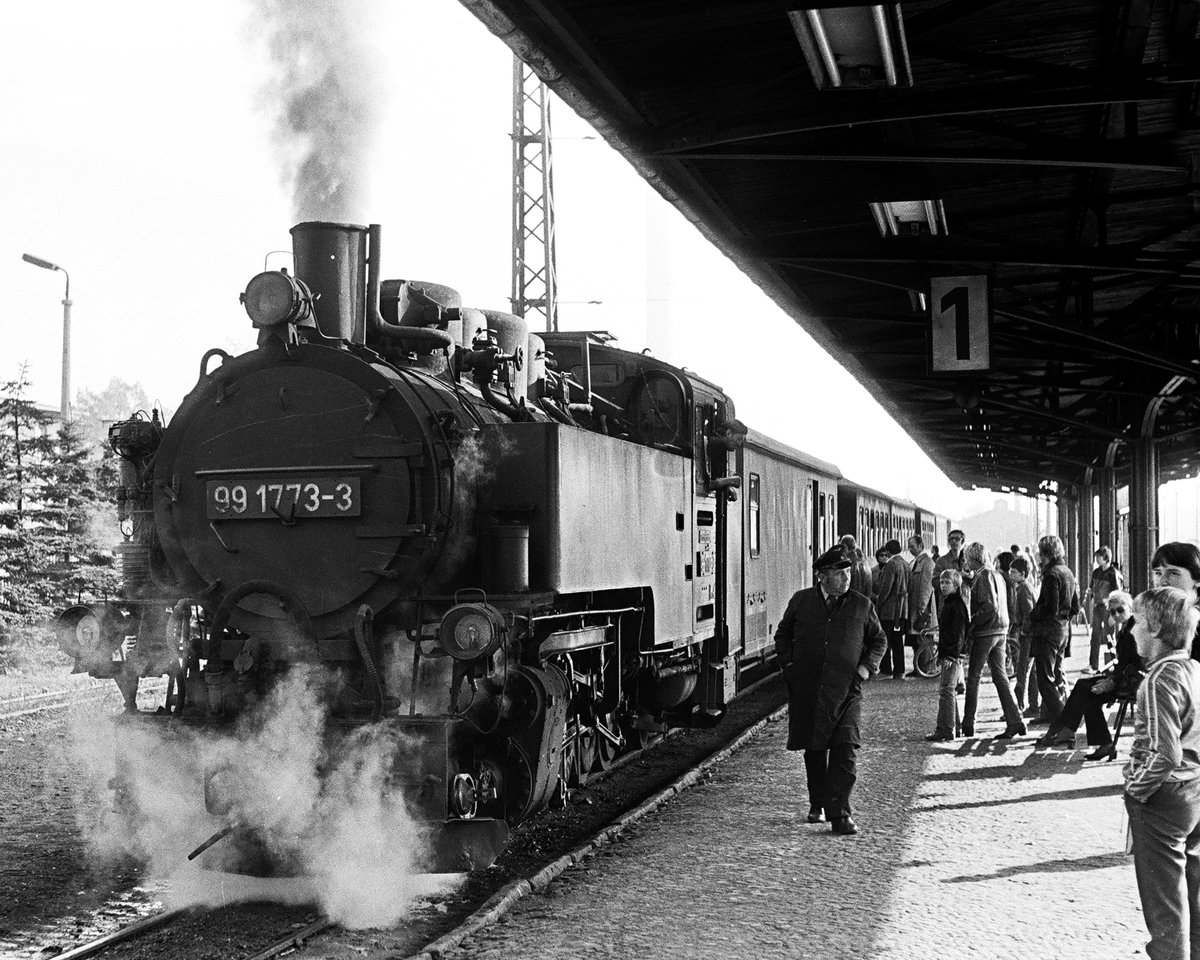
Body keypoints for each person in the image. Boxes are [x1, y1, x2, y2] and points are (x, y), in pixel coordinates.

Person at [775, 546, 887, 836]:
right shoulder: (801, 602)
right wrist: (789, 666)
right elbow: (782, 635)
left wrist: (865, 668)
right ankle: (817, 802)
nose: (846, 578)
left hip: (847, 691)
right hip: (810, 690)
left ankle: (841, 814)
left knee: (846, 750)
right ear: (822, 576)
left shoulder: (862, 605)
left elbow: (879, 641)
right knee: (815, 750)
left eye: (848, 572)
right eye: (839, 573)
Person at [1123, 586, 1200, 960]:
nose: (1131, 629)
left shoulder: (1157, 681)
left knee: (1164, 906)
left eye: (1136, 622)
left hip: (1164, 799)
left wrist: (1135, 789)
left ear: (1154, 629)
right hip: (1195, 792)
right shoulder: (1195, 671)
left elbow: (1165, 753)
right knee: (1192, 896)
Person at [1038, 590, 1142, 759]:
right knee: (1084, 687)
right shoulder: (1125, 629)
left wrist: (1112, 681)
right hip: (1122, 678)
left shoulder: (1134, 630)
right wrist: (1110, 677)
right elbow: (1123, 664)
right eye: (1113, 611)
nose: (1116, 614)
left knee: (1086, 691)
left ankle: (1066, 729)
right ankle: (1097, 741)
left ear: (1130, 608)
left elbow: (1135, 664)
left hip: (1130, 682)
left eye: (1120, 610)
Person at [960, 542, 1026, 739]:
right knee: (1000, 676)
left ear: (973, 559)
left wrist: (972, 622)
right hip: (1001, 630)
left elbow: (989, 606)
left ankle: (968, 723)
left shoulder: (984, 575)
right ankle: (1015, 720)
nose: (965, 562)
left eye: (967, 558)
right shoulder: (997, 574)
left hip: (986, 631)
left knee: (973, 677)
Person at [1027, 534, 1080, 727]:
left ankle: (1062, 723)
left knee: (1045, 680)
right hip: (1063, 630)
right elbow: (1075, 607)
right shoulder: (1067, 572)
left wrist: (1033, 615)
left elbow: (1050, 608)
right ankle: (1052, 717)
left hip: (1048, 632)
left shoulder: (1051, 575)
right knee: (1056, 675)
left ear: (1044, 554)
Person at [926, 569, 968, 741]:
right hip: (951, 653)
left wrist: (951, 655)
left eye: (947, 582)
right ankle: (954, 727)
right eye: (942, 582)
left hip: (953, 655)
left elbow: (958, 633)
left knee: (946, 691)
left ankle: (946, 729)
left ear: (956, 585)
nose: (943, 586)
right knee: (948, 691)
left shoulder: (955, 605)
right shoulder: (951, 603)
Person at [1151, 541, 1200, 661]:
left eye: (1173, 573)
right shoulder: (1149, 617)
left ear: (1197, 579)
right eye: (1158, 573)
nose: (1162, 581)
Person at [1085, 546, 1125, 674]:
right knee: (1095, 635)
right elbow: (1092, 586)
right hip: (1097, 606)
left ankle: (1113, 664)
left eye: (1099, 557)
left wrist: (1113, 612)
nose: (1096, 559)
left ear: (1105, 558)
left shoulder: (1113, 574)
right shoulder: (1096, 572)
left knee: (1109, 636)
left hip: (1108, 609)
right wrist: (1091, 594)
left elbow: (1117, 594)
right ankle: (1093, 665)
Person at [876, 538, 911, 679]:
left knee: (885, 640)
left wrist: (879, 603)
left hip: (889, 611)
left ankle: (886, 670)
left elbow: (886, 587)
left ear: (888, 551)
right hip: (902, 610)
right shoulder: (906, 564)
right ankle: (900, 671)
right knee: (898, 642)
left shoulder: (891, 564)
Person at [1009, 556, 1040, 717]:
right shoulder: (1027, 587)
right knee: (1032, 672)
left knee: (1022, 671)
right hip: (1033, 635)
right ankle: (1034, 706)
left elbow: (1028, 613)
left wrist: (1023, 631)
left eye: (1014, 572)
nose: (1010, 575)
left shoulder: (1023, 590)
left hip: (1027, 636)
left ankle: (1018, 708)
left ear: (1022, 574)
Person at [906, 535, 936, 676]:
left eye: (912, 546)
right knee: (917, 638)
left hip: (922, 609)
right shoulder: (916, 562)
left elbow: (926, 587)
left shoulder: (927, 563)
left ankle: (926, 668)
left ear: (920, 545)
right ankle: (919, 668)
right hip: (915, 607)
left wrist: (922, 608)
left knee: (924, 638)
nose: (910, 549)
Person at [933, 529, 966, 614]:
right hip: (946, 605)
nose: (954, 541)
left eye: (957, 539)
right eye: (951, 539)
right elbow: (935, 581)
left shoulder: (967, 562)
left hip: (965, 604)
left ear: (962, 541)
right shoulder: (941, 561)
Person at [840, 534, 873, 598]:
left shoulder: (851, 563)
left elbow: (854, 587)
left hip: (854, 601)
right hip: (865, 601)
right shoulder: (864, 562)